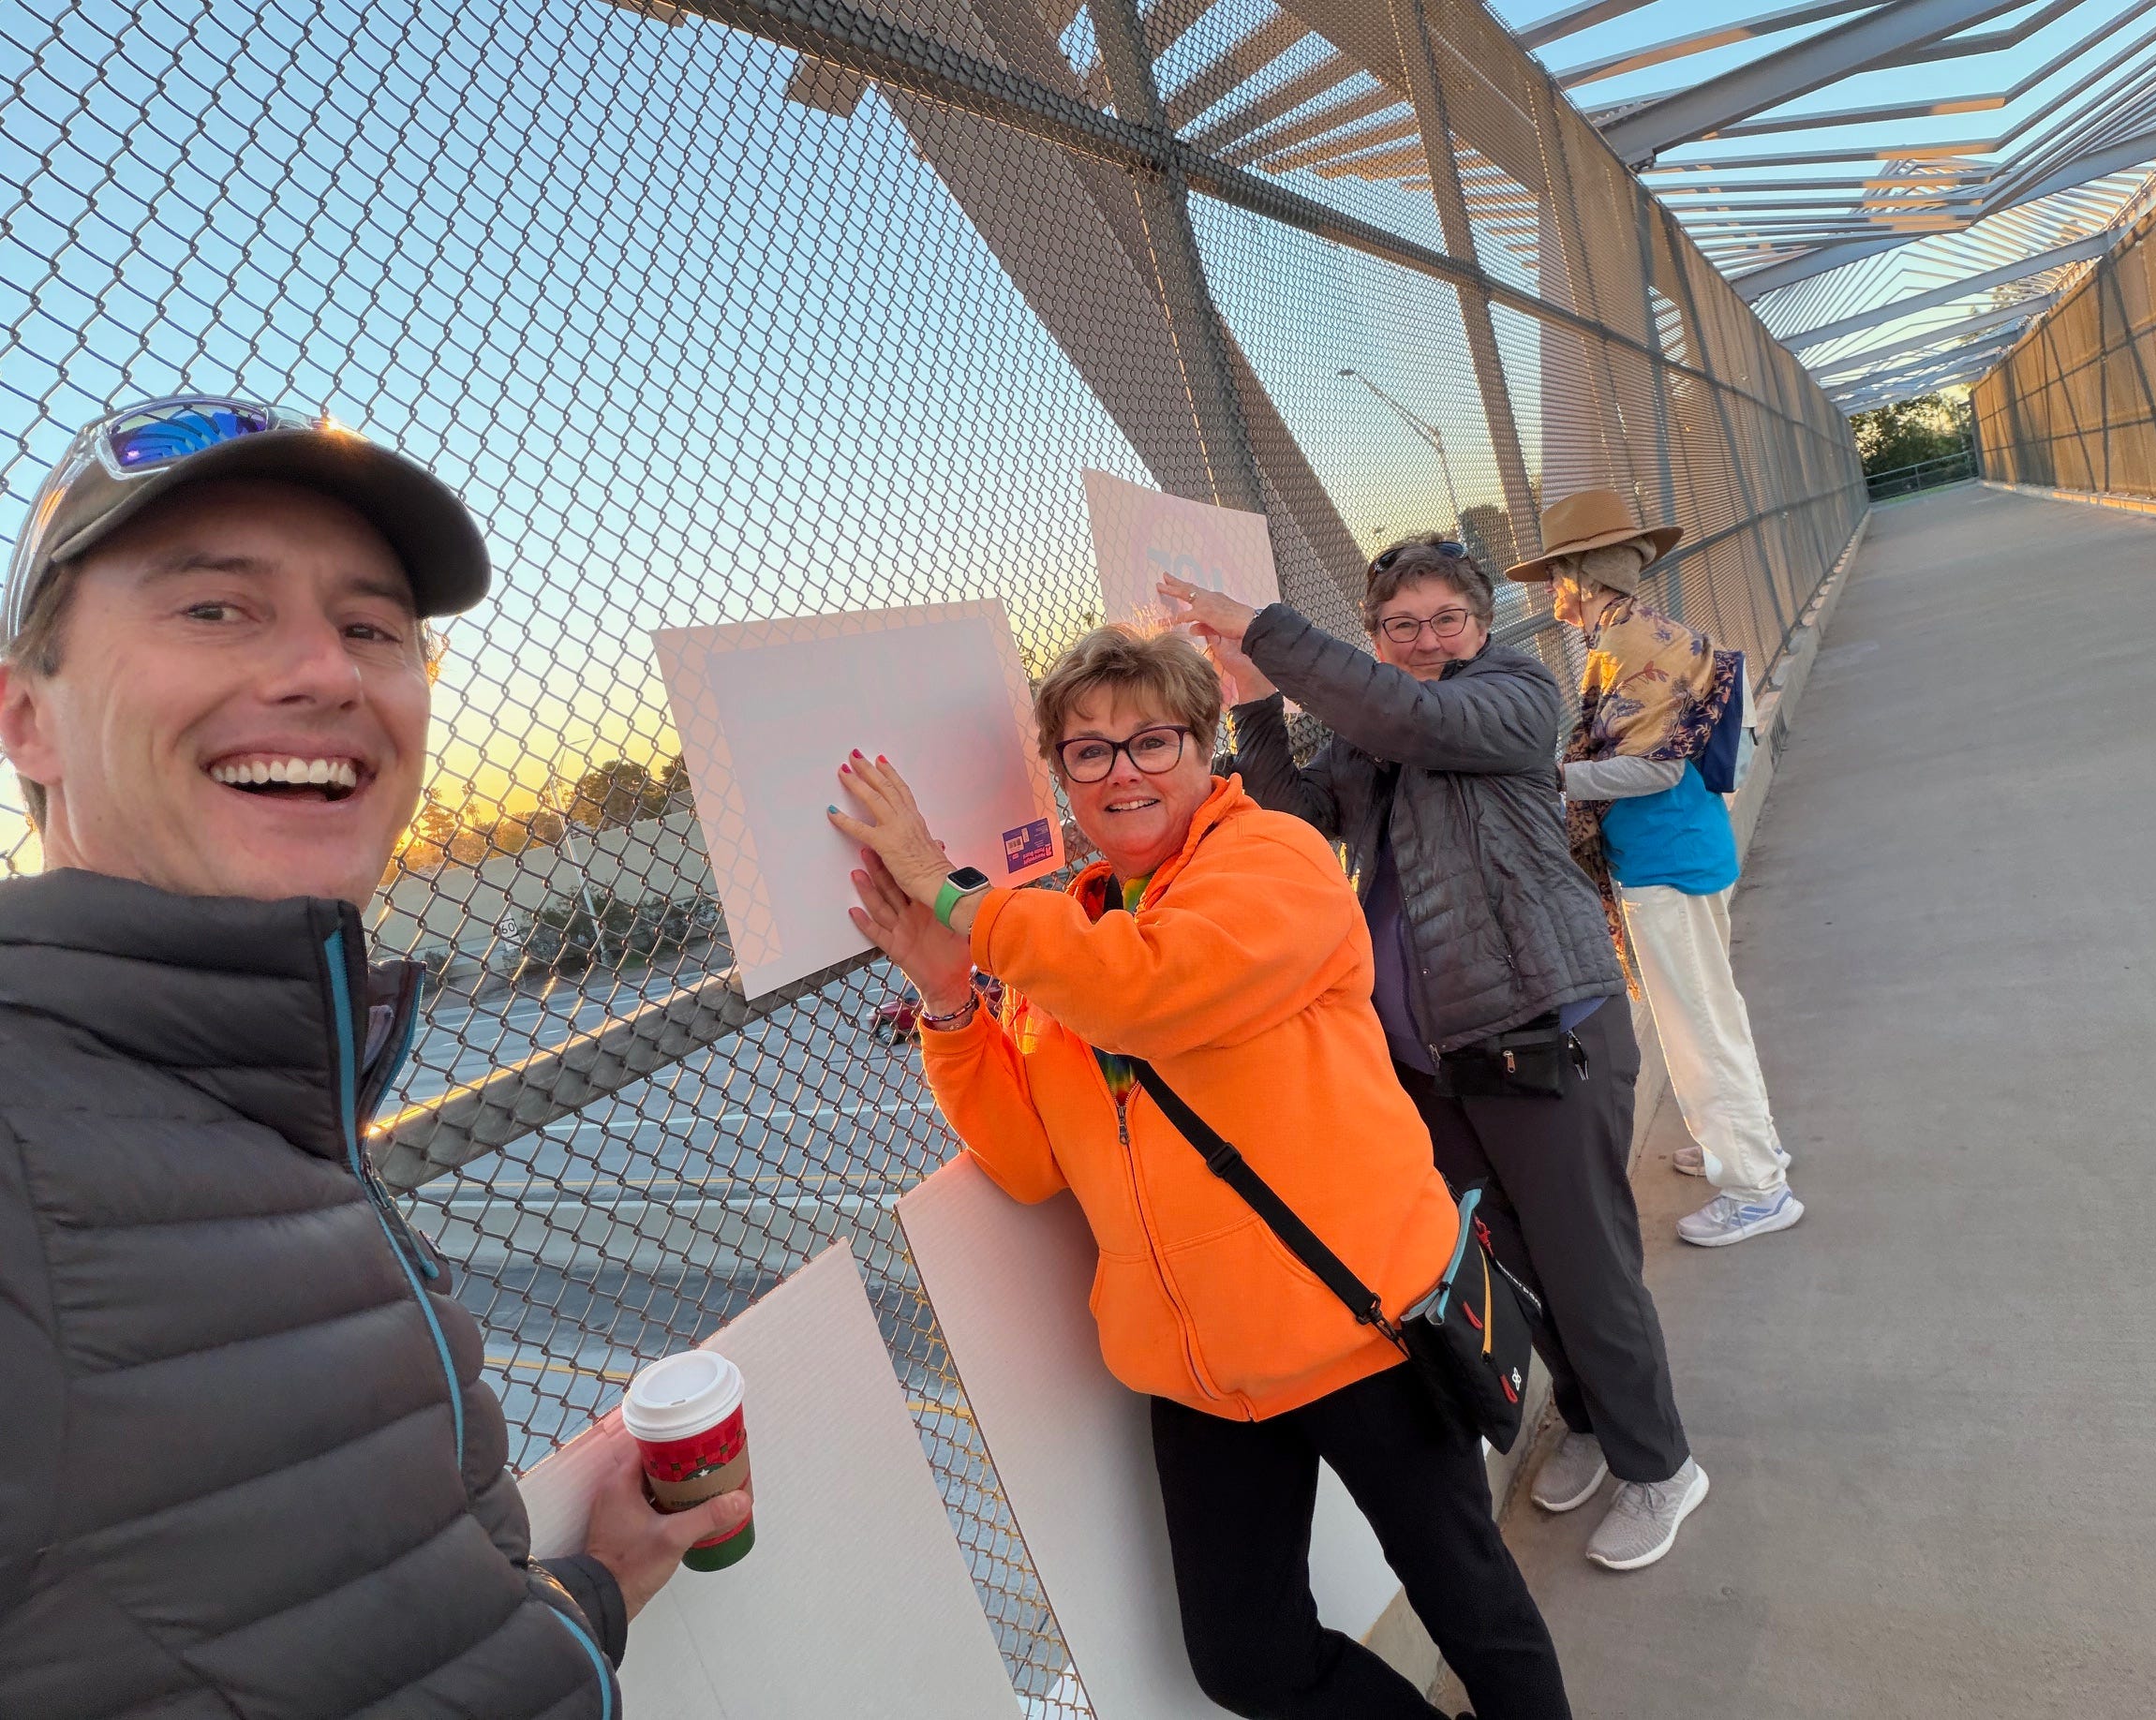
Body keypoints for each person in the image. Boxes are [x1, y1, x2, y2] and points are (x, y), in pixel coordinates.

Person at [0, 396, 749, 1717]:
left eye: (370, 628)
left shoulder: (260, 1097)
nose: (327, 673)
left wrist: (581, 1603)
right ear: (25, 720)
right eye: (214, 608)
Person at [826, 626, 1570, 1719]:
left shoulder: (1270, 861)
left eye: (1152, 741)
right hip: (1199, 1370)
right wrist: (949, 1003)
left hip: (1362, 1325)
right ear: (1062, 775)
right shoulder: (1070, 933)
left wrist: (951, 891)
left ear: (1203, 744)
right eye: (1089, 751)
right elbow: (1030, 1162)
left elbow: (1149, 992)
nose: (1121, 771)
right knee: (1245, 1659)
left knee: (1472, 1605)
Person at [1164, 541, 1707, 1574]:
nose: (1423, 642)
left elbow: (1418, 720)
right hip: (1439, 1061)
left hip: (1544, 1030)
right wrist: (1255, 701)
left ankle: (1661, 1467)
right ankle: (1592, 1420)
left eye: (1444, 620)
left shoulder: (1513, 694)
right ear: (1375, 637)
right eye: (1400, 626)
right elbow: (1298, 817)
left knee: (1588, 1265)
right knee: (1516, 1265)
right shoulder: (1367, 733)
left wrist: (1265, 631)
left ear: (1481, 625)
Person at [1516, 488, 1803, 1250]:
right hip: (1685, 846)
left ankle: (1756, 1190)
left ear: (1580, 575)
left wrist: (1554, 780)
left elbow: (1657, 769)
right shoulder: (1648, 633)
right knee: (1713, 1010)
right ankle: (1745, 1145)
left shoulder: (1626, 647)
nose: (1550, 593)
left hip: (1664, 858)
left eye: (1554, 576)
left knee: (1697, 1025)